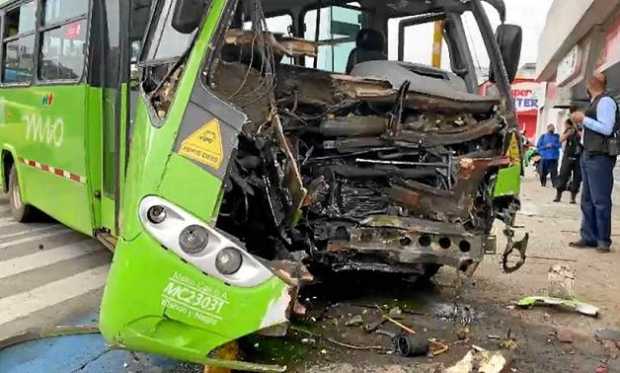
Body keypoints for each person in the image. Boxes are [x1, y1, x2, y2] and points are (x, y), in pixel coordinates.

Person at [569, 72, 618, 253]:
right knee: (587, 199)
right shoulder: (595, 102)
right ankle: (588, 236)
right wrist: (582, 127)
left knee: (600, 200)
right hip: (589, 154)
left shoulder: (605, 102)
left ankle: (603, 240)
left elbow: (606, 129)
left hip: (600, 157)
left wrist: (584, 119)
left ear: (593, 83)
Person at [554, 119, 582, 203]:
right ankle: (558, 195)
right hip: (568, 156)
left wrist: (577, 130)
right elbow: (560, 140)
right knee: (563, 175)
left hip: (579, 157)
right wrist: (568, 133)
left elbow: (584, 138)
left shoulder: (580, 130)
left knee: (577, 178)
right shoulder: (568, 131)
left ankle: (572, 198)